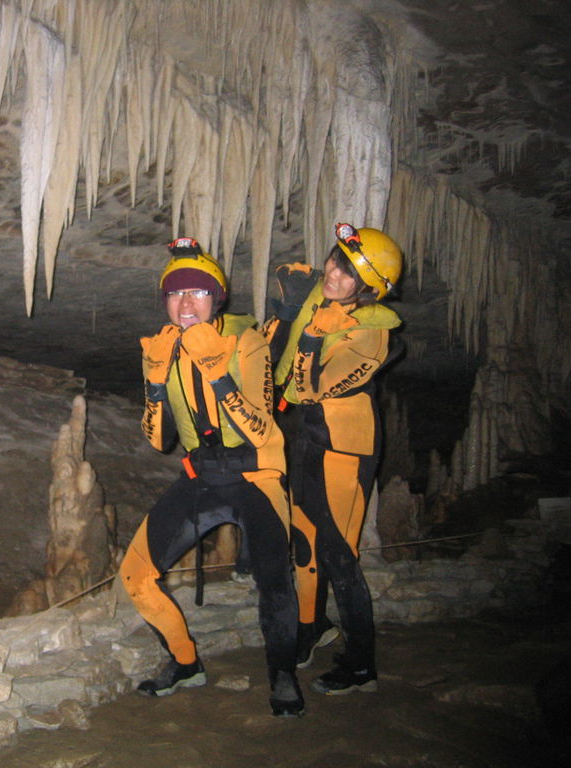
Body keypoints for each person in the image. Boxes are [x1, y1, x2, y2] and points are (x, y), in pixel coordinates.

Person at [119, 237, 304, 718]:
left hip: (256, 474)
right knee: (136, 575)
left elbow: (262, 429)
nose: (184, 303)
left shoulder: (247, 341)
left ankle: (283, 674)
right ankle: (185, 663)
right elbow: (159, 440)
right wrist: (156, 384)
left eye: (197, 293)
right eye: (175, 293)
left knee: (275, 581)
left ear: (216, 298)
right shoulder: (162, 347)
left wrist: (219, 376)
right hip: (201, 476)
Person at [261, 223, 403, 695]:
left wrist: (310, 340)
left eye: (349, 272)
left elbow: (311, 386)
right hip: (303, 438)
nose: (335, 274)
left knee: (339, 555)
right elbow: (269, 360)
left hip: (344, 446)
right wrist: (286, 311)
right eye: (336, 260)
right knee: (304, 544)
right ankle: (311, 627)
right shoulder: (315, 301)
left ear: (369, 289)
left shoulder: (372, 332)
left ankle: (362, 663)